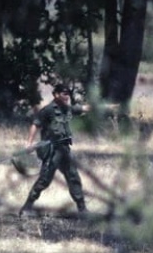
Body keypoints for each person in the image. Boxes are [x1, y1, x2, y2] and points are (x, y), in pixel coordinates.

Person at [18, 83, 113, 218]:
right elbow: (35, 124)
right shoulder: (48, 110)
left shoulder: (68, 109)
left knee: (73, 177)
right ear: (56, 95)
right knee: (44, 180)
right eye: (64, 93)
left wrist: (108, 107)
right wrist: (28, 143)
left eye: (68, 93)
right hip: (52, 150)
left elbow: (86, 108)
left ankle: (82, 210)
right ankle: (26, 208)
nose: (67, 96)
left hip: (64, 150)